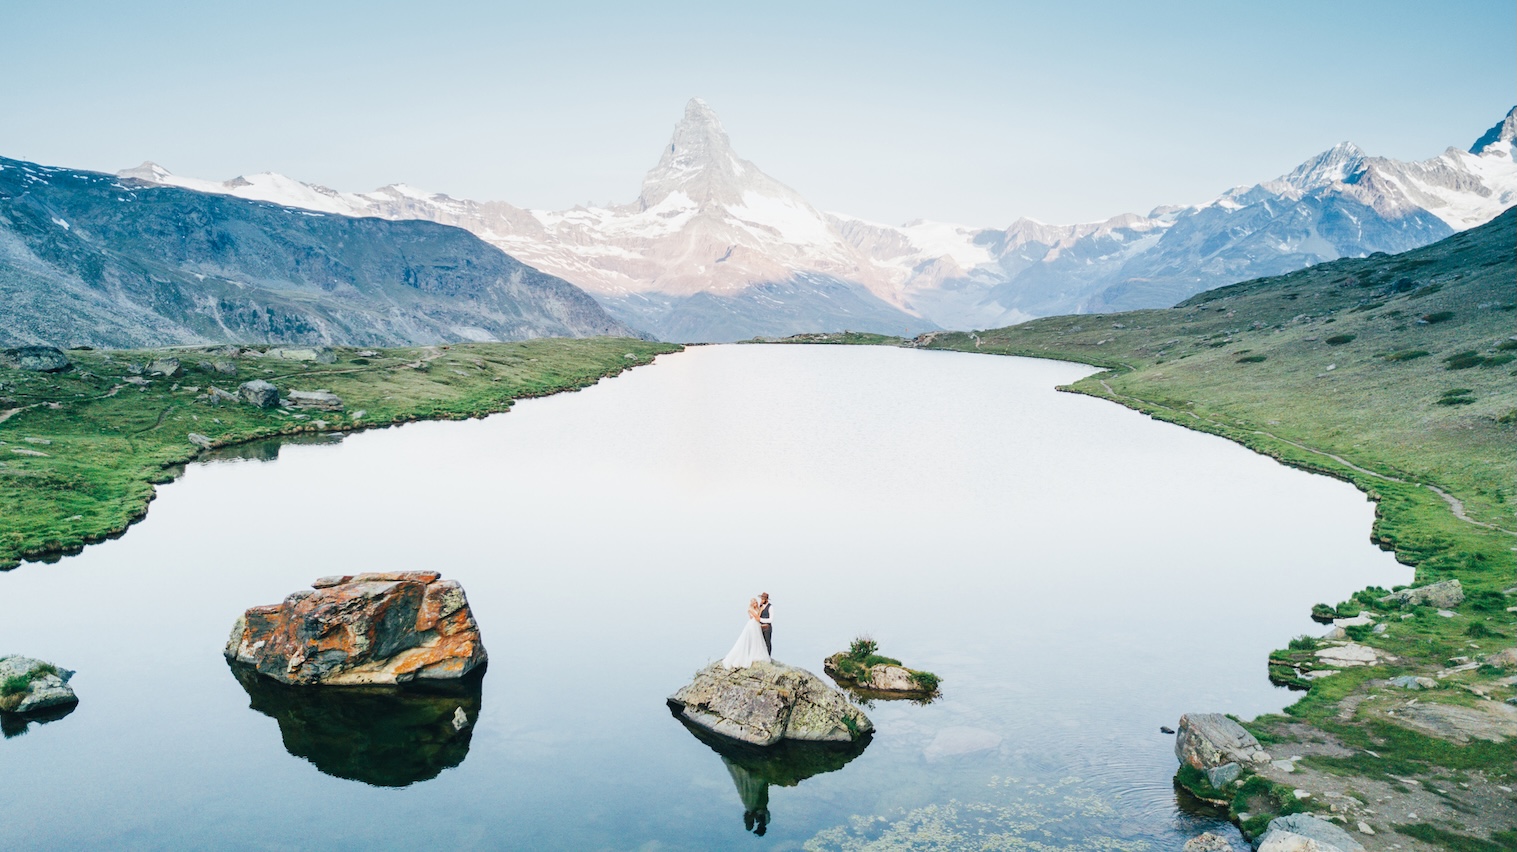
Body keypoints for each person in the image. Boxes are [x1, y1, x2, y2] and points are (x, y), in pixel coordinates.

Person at [721, 598, 771, 668]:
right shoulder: (750, 609)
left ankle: (756, 652)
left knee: (757, 639)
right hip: (752, 625)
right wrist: (761, 610)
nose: (755, 604)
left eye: (756, 603)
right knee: (751, 639)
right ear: (751, 604)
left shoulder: (757, 608)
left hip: (756, 625)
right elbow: (757, 617)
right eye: (754, 603)